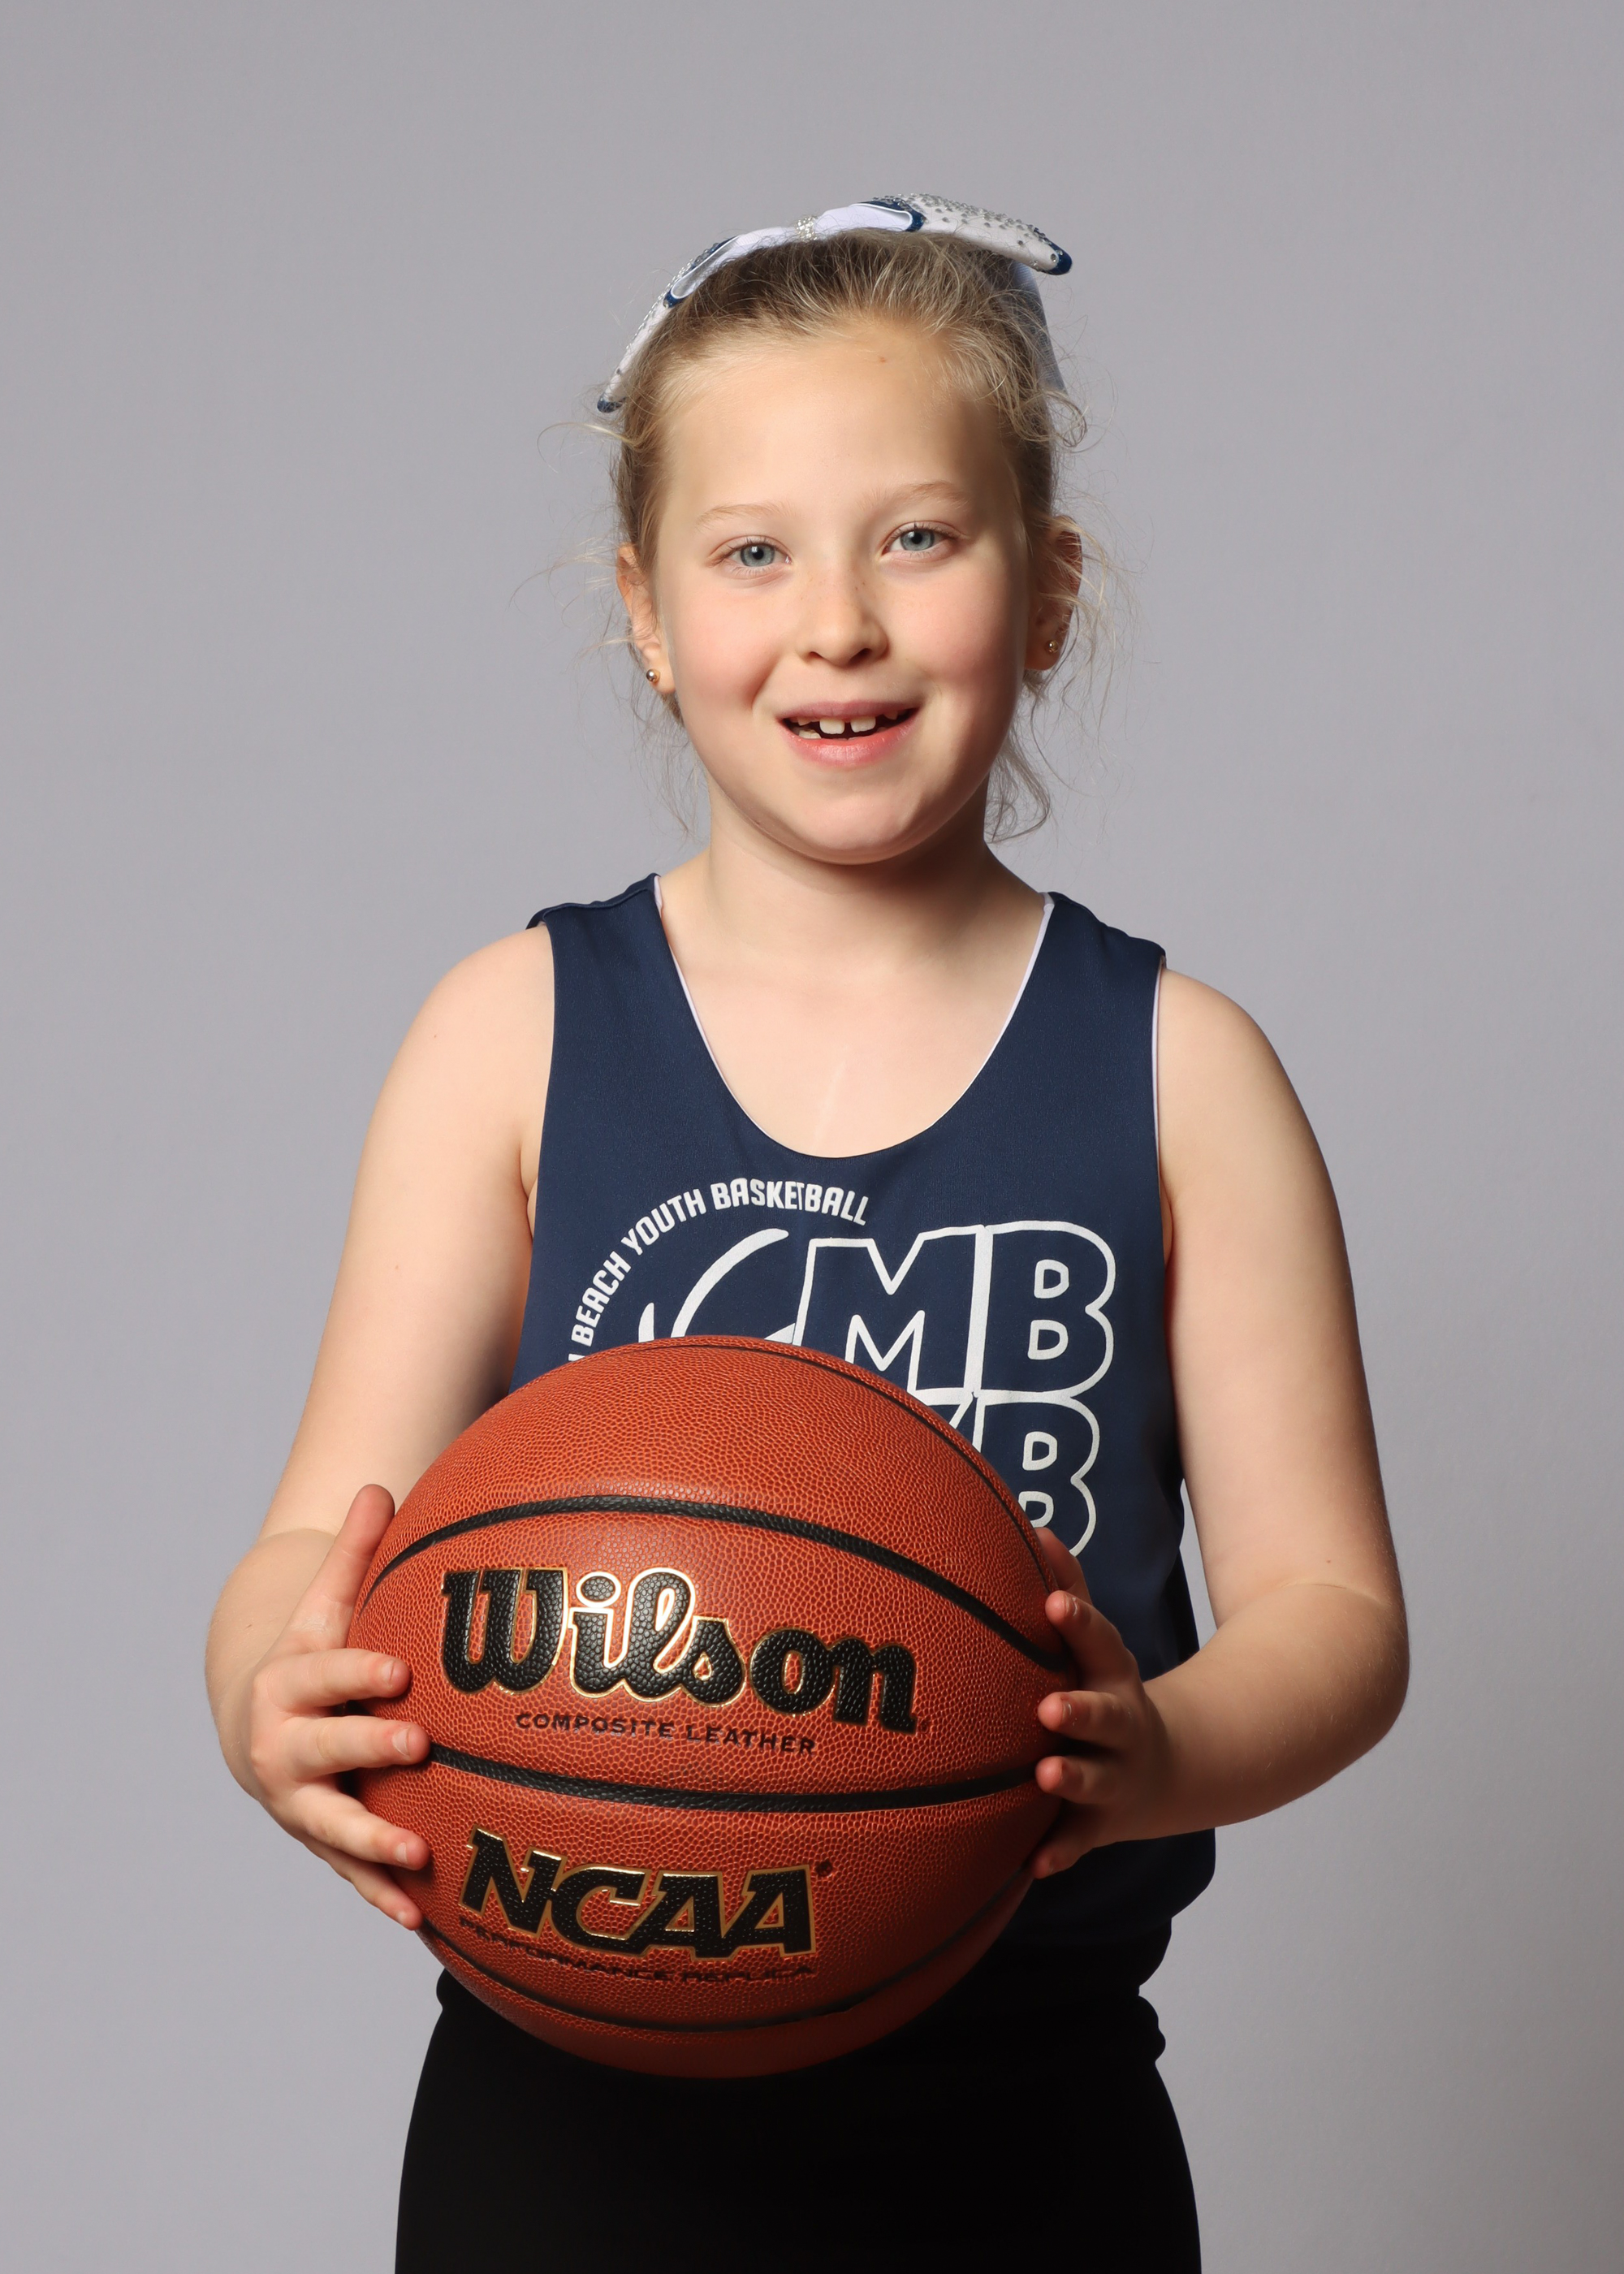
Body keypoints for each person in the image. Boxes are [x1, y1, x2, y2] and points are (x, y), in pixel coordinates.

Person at [205, 197, 1407, 2272]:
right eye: (752, 551)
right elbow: (324, 1529)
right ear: (647, 612)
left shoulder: (1179, 1070)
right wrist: (268, 1700)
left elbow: (1334, 1608)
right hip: (567, 2098)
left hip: (1024, 2103)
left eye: (916, 537)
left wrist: (1154, 1752)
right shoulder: (513, 1031)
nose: (836, 622)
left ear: (1046, 590)